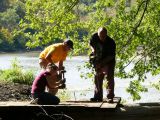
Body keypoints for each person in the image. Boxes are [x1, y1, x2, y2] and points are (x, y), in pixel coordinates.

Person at [89, 27, 116, 102]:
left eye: (104, 36)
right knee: (97, 77)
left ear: (106, 35)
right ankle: (98, 96)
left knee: (109, 78)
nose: (102, 38)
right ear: (98, 34)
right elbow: (91, 44)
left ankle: (110, 97)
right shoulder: (94, 37)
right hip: (98, 58)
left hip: (109, 61)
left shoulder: (111, 42)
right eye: (100, 36)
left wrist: (101, 64)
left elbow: (111, 56)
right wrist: (93, 49)